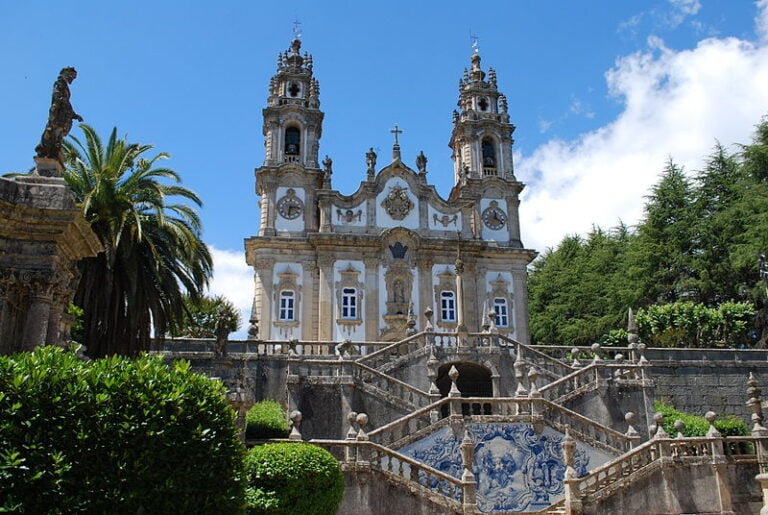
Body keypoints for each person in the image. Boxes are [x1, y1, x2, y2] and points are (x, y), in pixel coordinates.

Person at [35, 67, 83, 164]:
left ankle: (54, 151)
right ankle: (48, 150)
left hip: (63, 116)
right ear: (66, 73)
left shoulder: (64, 86)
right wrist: (62, 104)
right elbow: (56, 96)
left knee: (59, 134)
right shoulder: (59, 83)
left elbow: (65, 103)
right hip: (58, 115)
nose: (72, 79)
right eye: (72, 76)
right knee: (53, 131)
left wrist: (74, 115)